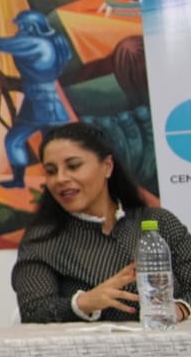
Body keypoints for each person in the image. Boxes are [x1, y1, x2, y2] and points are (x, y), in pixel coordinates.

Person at [13, 122, 191, 323]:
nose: (60, 179)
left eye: (73, 166)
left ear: (107, 166)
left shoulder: (158, 222)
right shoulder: (41, 241)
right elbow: (33, 310)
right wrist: (82, 303)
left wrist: (179, 309)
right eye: (51, 171)